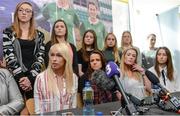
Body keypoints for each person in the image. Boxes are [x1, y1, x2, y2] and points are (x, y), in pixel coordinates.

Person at [2, 1, 45, 114]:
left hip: (33, 78)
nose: (24, 13)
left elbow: (40, 57)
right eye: (21, 10)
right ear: (16, 13)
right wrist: (22, 78)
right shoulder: (8, 32)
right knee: (17, 109)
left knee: (33, 110)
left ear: (32, 14)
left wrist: (30, 78)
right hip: (15, 77)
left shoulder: (40, 35)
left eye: (27, 11)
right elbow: (9, 55)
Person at [34, 43, 78, 114]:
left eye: (59, 55)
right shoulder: (41, 78)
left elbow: (73, 107)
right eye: (52, 55)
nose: (54, 59)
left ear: (66, 58)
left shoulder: (73, 77)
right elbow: (38, 111)